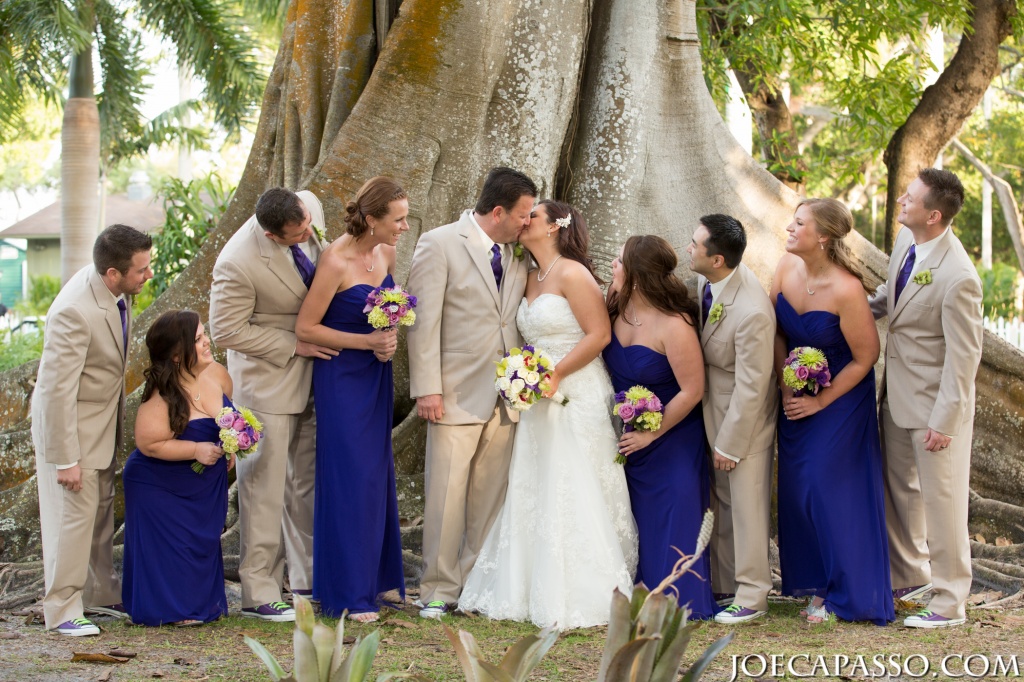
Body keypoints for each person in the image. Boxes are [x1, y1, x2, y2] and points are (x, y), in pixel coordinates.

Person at [458, 201, 638, 629]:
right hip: (536, 393)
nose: (524, 222)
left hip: (575, 389)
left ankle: (586, 587)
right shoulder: (527, 274)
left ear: (555, 228)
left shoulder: (572, 273)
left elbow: (599, 335)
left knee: (573, 479)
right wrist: (525, 378)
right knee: (537, 481)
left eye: (532, 216)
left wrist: (554, 374)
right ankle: (526, 583)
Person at [406, 167, 536, 619]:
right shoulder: (439, 243)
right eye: (523, 214)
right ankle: (438, 588)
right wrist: (427, 389)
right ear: (498, 211)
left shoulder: (520, 254)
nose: (529, 222)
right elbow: (423, 324)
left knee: (488, 497)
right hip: (454, 393)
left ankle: (475, 583)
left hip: (508, 396)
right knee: (445, 495)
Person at [209, 188, 337, 621]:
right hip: (267, 383)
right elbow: (225, 330)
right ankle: (259, 590)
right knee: (262, 489)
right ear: (269, 233)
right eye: (295, 234)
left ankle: (305, 578)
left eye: (307, 226)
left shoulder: (309, 206)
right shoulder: (237, 263)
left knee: (303, 482)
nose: (306, 234)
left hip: (317, 377)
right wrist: (293, 344)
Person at [771, 198, 894, 625]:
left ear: (822, 236)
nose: (790, 227)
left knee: (827, 489)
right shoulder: (785, 269)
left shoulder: (846, 289)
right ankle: (816, 585)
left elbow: (866, 357)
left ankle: (847, 593)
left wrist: (821, 399)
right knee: (798, 492)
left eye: (799, 223)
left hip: (840, 401)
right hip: (794, 397)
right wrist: (786, 379)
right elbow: (777, 331)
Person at [870, 169, 983, 629]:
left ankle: (951, 599)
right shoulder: (905, 242)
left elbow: (964, 358)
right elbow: (889, 298)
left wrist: (946, 421)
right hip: (896, 394)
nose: (901, 199)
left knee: (943, 501)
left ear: (933, 215)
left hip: (938, 406)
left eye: (910, 197)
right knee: (902, 496)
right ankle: (910, 579)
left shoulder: (959, 278)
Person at [295, 177, 408, 622]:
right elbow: (306, 328)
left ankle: (375, 578)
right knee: (350, 477)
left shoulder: (387, 253)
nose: (402, 226)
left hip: (376, 377)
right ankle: (347, 591)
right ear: (372, 218)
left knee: (375, 475)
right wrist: (368, 344)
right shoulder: (335, 260)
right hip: (342, 377)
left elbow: (390, 310)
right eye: (397, 219)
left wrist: (391, 339)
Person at [32, 224, 153, 636]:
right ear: (112, 274)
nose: (148, 275)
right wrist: (66, 458)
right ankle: (63, 608)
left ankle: (98, 594)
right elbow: (54, 391)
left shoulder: (115, 292)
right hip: (73, 431)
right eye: (141, 270)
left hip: (102, 427)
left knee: (100, 514)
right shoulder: (74, 311)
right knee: (73, 519)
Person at [601, 235, 715, 620]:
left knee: (671, 509)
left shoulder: (674, 324)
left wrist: (653, 432)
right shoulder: (613, 308)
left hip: (674, 438)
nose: (612, 266)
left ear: (637, 275)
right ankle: (634, 596)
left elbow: (692, 390)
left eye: (618, 262)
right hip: (627, 438)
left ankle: (674, 603)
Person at [687, 215, 777, 625]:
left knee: (746, 507)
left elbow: (753, 386)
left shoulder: (752, 311)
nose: (688, 248)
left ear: (718, 259)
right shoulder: (708, 282)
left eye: (695, 244)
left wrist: (730, 443)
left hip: (745, 423)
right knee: (722, 503)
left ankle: (753, 594)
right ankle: (726, 586)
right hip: (714, 413)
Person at [122, 310, 233, 626]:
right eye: (198, 339)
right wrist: (196, 449)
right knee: (174, 549)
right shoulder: (163, 396)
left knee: (198, 545)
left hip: (200, 487)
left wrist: (233, 443)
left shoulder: (218, 376)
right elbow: (149, 444)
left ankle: (197, 604)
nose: (206, 341)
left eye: (204, 334)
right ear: (175, 356)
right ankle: (171, 609)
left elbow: (225, 421)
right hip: (158, 485)